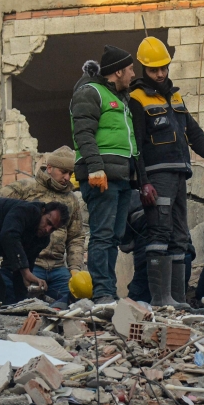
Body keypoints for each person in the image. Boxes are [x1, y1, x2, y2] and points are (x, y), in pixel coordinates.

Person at [130, 36, 204, 307]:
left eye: (163, 68)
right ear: (144, 68)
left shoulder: (175, 97)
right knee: (159, 233)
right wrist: (143, 182)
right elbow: (135, 144)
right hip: (157, 176)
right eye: (154, 70)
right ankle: (161, 299)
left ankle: (176, 299)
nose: (160, 74)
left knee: (180, 235)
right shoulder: (136, 99)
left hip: (180, 173)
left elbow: (192, 130)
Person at [70, 46, 139, 304]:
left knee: (114, 236)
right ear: (118, 71)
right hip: (102, 176)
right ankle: (102, 292)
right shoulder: (90, 92)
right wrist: (95, 167)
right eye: (130, 69)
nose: (133, 74)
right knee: (102, 234)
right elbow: (83, 133)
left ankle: (108, 290)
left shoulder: (120, 99)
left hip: (121, 176)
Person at [0, 146, 86, 308]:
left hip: (57, 268)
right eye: (63, 172)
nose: (67, 178)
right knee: (20, 302)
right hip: (30, 264)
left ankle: (51, 315)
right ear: (49, 168)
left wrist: (74, 269)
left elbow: (76, 237)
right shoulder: (26, 188)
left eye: (70, 173)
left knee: (76, 301)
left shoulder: (72, 200)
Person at [0, 198, 69, 303]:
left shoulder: (42, 240)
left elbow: (22, 270)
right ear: (43, 211)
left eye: (53, 229)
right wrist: (25, 272)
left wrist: (23, 303)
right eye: (48, 222)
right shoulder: (28, 211)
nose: (47, 229)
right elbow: (9, 235)